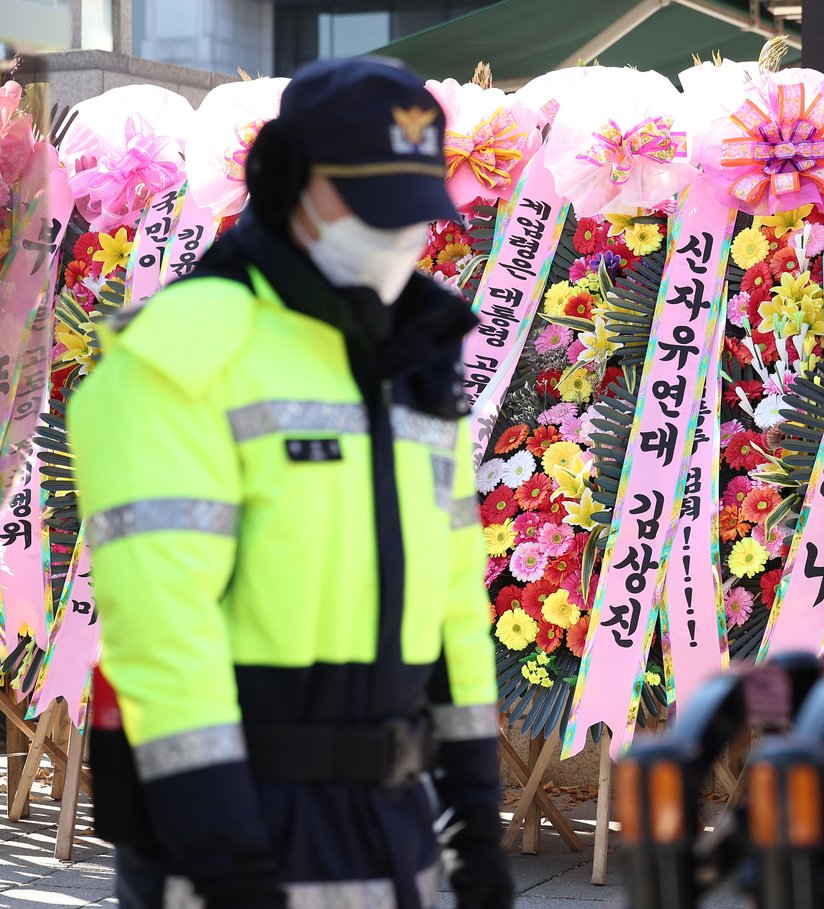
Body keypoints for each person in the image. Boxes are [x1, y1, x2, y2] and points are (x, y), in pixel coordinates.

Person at [69, 57, 513, 909]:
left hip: (396, 831)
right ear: (285, 182)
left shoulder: (414, 359)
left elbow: (455, 602)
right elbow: (164, 636)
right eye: (368, 206)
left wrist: (477, 824)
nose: (396, 238)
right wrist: (228, 861)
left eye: (412, 213)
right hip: (238, 832)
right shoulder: (184, 354)